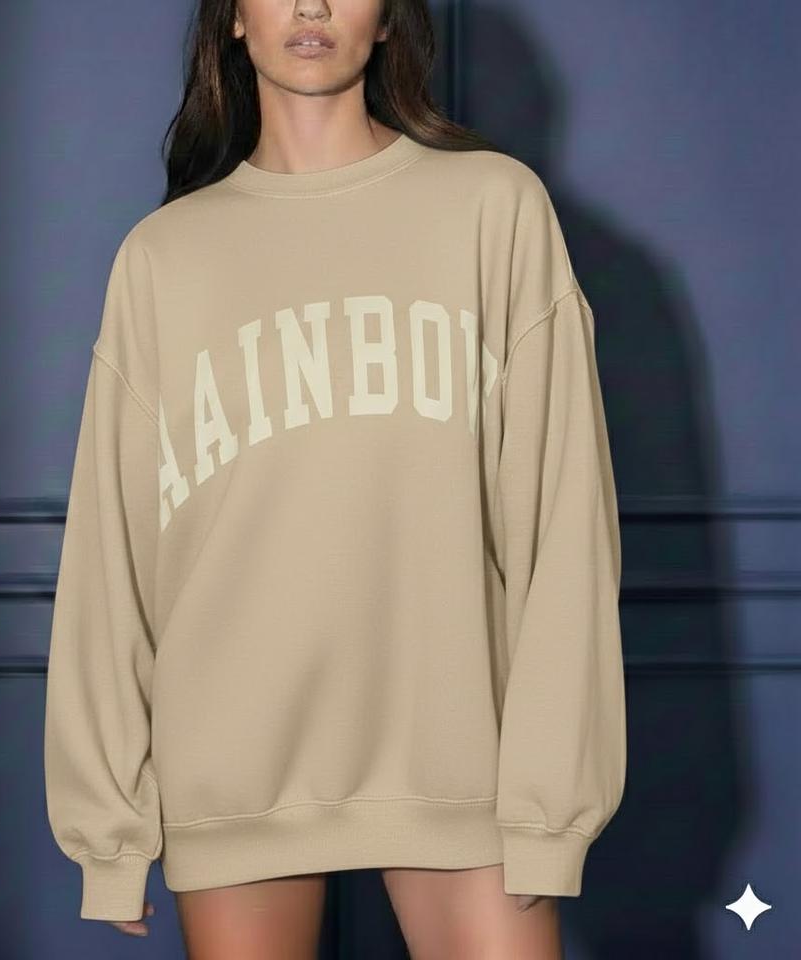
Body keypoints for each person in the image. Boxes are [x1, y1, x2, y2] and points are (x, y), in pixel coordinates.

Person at [42, 0, 627, 957]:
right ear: (234, 19)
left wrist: (549, 803)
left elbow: (563, 527)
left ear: (390, 19)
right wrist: (109, 830)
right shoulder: (164, 256)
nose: (311, 6)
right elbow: (112, 554)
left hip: (458, 764)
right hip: (232, 767)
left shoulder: (493, 208)